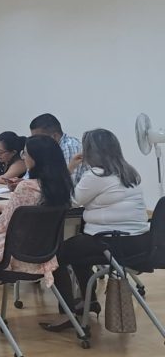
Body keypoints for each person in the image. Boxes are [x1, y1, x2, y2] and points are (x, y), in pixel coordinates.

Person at [0, 135, 73, 331]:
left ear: (35, 158)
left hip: (13, 257)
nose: (24, 157)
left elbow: (2, 225)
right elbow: (23, 212)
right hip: (45, 258)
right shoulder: (61, 187)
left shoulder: (26, 186)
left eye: (26, 154)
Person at [41, 129, 150, 331]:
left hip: (111, 242)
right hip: (139, 242)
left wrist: (69, 169)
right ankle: (88, 301)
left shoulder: (97, 175)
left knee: (56, 255)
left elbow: (70, 201)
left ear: (91, 151)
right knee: (78, 251)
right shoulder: (129, 172)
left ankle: (67, 313)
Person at [29, 113, 85, 184]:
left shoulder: (69, 147)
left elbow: (68, 184)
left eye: (38, 139)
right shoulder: (45, 150)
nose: (34, 142)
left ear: (54, 136)